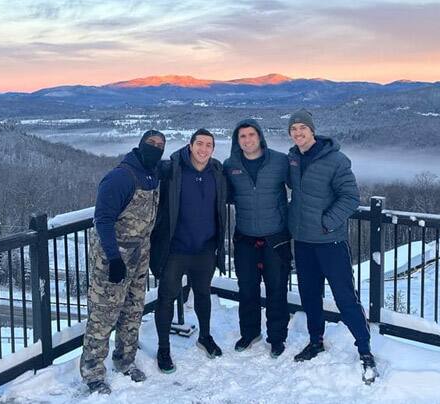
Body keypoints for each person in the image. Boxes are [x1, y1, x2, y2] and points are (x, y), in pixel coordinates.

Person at [286, 110, 378, 382]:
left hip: (331, 242)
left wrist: (327, 223)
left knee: (345, 297)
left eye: (302, 127)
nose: (298, 133)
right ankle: (316, 341)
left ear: (312, 130)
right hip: (302, 242)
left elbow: (350, 197)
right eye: (293, 129)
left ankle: (364, 349)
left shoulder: (336, 160)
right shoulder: (292, 159)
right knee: (309, 294)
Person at [79, 130, 165, 395]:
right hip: (113, 256)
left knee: (133, 310)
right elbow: (102, 219)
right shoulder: (120, 177)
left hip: (140, 254)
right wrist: (114, 258)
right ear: (140, 146)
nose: (156, 148)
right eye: (151, 143)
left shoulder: (153, 173)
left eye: (160, 145)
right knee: (104, 314)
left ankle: (125, 361)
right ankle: (93, 373)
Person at [150, 128, 228, 373]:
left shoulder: (216, 171)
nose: (204, 149)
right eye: (200, 144)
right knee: (166, 298)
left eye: (209, 145)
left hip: (205, 247)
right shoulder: (173, 168)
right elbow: (147, 179)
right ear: (190, 145)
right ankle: (164, 348)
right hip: (176, 248)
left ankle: (205, 336)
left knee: (203, 294)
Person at [224, 119, 291, 358]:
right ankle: (250, 332)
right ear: (237, 140)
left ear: (260, 136)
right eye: (242, 136)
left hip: (276, 237)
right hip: (245, 238)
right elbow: (221, 194)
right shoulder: (230, 164)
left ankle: (277, 338)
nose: (247, 140)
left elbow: (301, 187)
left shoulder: (280, 161)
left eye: (251, 134)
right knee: (247, 289)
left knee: (276, 289)